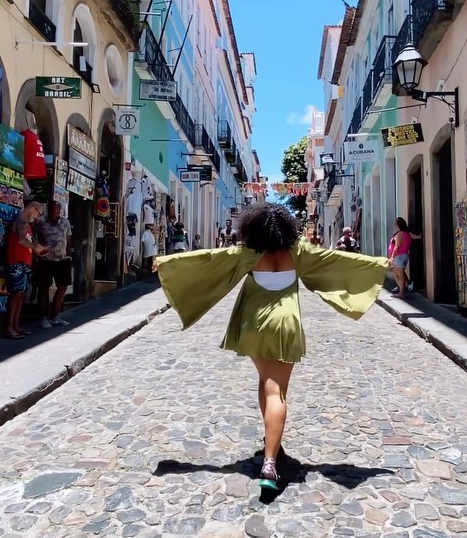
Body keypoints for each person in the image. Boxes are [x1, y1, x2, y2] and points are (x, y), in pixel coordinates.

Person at [156, 204, 388, 491]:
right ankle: (269, 461)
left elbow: (209, 260)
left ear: (252, 227)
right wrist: (378, 265)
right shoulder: (298, 251)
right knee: (277, 389)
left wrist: (166, 265)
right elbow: (334, 260)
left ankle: (272, 443)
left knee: (267, 382)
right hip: (285, 323)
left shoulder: (249, 253)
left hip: (253, 324)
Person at [5, 201, 47, 339]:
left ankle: (16, 325)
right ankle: (10, 327)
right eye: (39, 214)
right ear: (33, 208)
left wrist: (37, 249)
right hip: (17, 263)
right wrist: (36, 248)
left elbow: (26, 242)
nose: (38, 217)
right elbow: (22, 240)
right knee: (16, 295)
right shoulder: (22, 219)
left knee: (21, 295)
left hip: (24, 263)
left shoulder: (27, 223)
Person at [34, 200, 73, 328]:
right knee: (43, 288)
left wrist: (68, 255)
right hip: (46, 260)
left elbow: (68, 238)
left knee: (62, 287)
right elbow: (35, 237)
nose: (54, 213)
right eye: (52, 210)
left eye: (56, 211)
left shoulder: (65, 222)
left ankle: (55, 315)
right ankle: (43, 317)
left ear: (60, 210)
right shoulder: (41, 223)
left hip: (62, 259)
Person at [390, 217, 421, 297]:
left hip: (399, 256)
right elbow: (415, 237)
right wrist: (420, 236)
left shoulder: (399, 234)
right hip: (404, 255)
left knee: (397, 275)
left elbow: (397, 246)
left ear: (398, 225)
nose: (395, 225)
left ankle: (401, 292)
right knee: (401, 273)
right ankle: (402, 288)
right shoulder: (407, 233)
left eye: (396, 224)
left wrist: (392, 257)